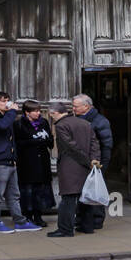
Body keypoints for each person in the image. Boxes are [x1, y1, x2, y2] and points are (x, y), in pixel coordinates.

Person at [0, 91, 40, 233]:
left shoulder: (5, 116)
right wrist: (12, 111)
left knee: (14, 195)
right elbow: (1, 126)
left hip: (9, 161)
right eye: (3, 101)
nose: (7, 103)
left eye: (7, 100)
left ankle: (20, 222)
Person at [46, 103, 101, 237]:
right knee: (85, 197)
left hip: (70, 166)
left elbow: (71, 147)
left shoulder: (61, 125)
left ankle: (65, 229)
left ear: (55, 113)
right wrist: (94, 160)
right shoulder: (84, 123)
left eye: (51, 115)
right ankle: (87, 227)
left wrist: (87, 162)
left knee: (68, 199)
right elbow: (95, 143)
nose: (51, 118)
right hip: (86, 166)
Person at [72, 93, 113, 231]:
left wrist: (103, 164)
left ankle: (96, 220)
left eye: (75, 106)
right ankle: (81, 219)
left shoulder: (100, 121)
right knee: (82, 190)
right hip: (80, 161)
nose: (73, 108)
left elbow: (106, 144)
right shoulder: (76, 119)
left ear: (86, 106)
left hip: (96, 161)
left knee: (95, 190)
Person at [14, 102, 55, 228]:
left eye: (39, 110)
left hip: (42, 161)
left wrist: (44, 140)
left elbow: (50, 140)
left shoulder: (44, 123)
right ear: (27, 112)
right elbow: (18, 143)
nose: (38, 113)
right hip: (27, 162)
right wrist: (36, 141)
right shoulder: (19, 124)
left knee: (40, 190)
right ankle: (27, 216)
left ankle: (38, 216)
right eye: (35, 111)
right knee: (28, 189)